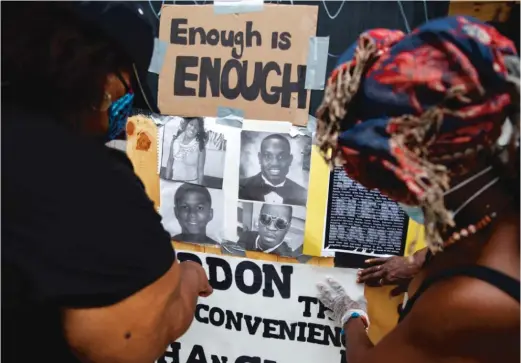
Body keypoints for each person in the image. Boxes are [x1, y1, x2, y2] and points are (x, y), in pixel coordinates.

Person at [2, 3, 212, 363]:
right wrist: (190, 279)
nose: (126, 105)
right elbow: (134, 342)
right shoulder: (91, 185)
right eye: (129, 85)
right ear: (103, 78)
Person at [314, 16, 520, 363]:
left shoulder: (468, 302)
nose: (386, 191)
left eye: (384, 175)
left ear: (427, 161)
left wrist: (350, 317)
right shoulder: (496, 208)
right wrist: (420, 260)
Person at [239, 134, 308, 206]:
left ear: (290, 160)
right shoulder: (241, 188)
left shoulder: (302, 194)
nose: (275, 163)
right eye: (268, 156)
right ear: (260, 158)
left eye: (281, 156)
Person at [237, 204, 303, 258]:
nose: (271, 228)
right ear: (258, 219)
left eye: (281, 223)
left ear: (288, 228)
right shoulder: (245, 236)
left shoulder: (287, 259)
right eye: (265, 219)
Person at [162, 117, 207, 185]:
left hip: (192, 184)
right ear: (186, 124)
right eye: (191, 124)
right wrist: (167, 181)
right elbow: (170, 161)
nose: (193, 128)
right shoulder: (175, 141)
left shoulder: (200, 146)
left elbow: (200, 171)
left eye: (196, 127)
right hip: (175, 182)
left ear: (198, 130)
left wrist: (199, 188)